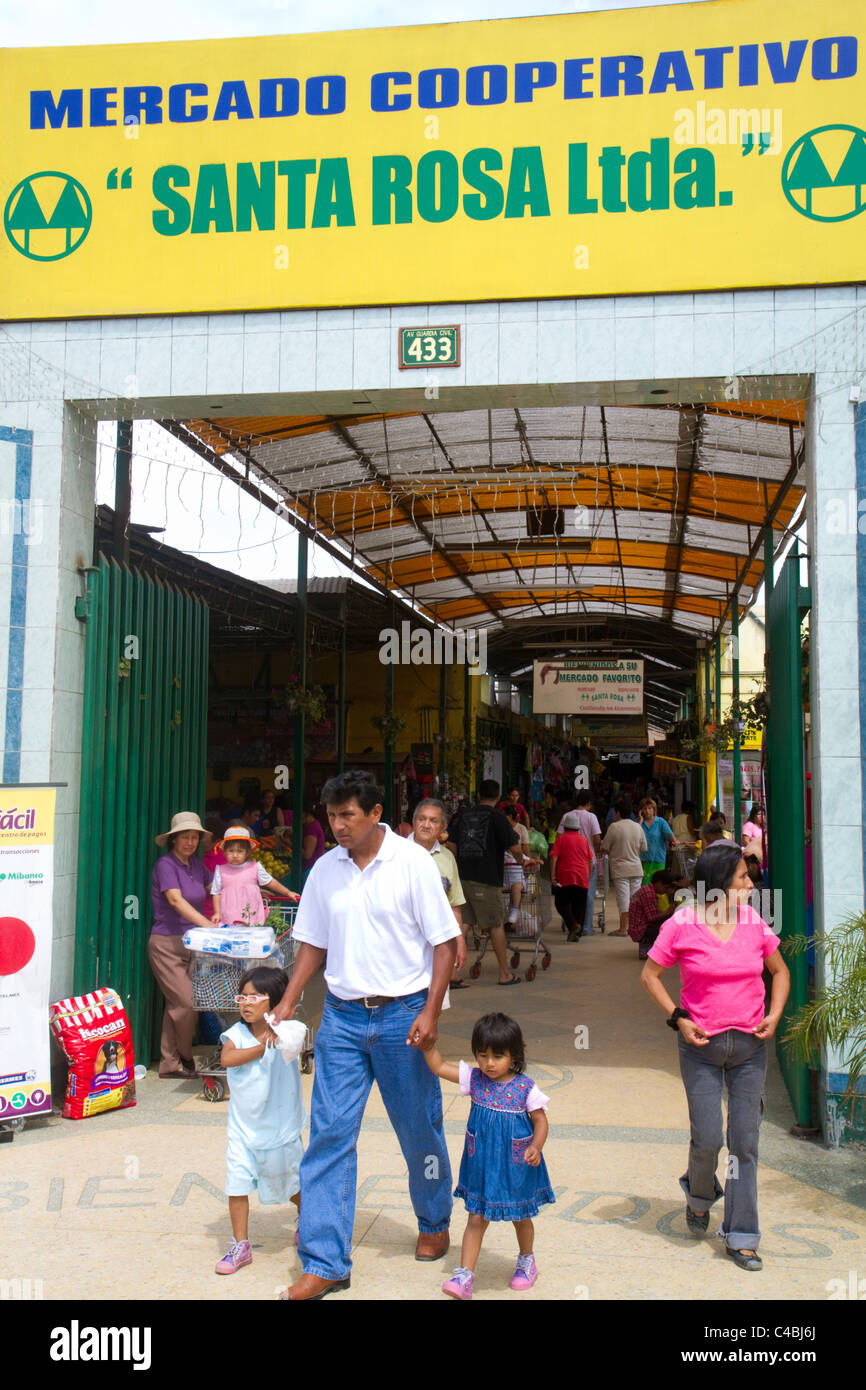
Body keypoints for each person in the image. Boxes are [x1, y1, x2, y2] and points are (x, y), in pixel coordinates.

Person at [269, 770, 461, 1300]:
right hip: (343, 1020)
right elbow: (311, 942)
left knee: (418, 1127)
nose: (337, 826)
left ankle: (433, 1217)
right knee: (329, 1134)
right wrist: (288, 1001)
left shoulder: (414, 864)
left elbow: (445, 944)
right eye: (332, 816)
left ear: (375, 813)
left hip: (403, 1019)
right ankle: (326, 1260)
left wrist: (431, 1013)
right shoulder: (324, 870)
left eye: (347, 815)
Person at [640, 843, 790, 1272]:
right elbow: (650, 975)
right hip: (700, 1050)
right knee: (708, 1138)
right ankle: (700, 1194)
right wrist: (678, 1018)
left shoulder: (754, 922)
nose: (750, 884)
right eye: (742, 878)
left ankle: (741, 1235)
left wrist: (775, 1015)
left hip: (749, 1050)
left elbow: (780, 972)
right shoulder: (682, 923)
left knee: (744, 1144)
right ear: (720, 883)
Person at [423, 1012, 554, 1300]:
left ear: (514, 1056)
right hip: (481, 1165)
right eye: (482, 1055)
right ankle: (464, 1276)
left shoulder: (525, 1088)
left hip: (516, 1165)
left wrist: (536, 1145)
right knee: (475, 1218)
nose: (489, 1063)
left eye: (498, 1056)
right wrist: (427, 1046)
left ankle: (526, 1261)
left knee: (521, 1216)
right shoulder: (474, 1079)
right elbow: (439, 1067)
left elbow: (541, 1121)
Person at [215, 965, 306, 1275]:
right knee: (236, 1185)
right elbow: (227, 1058)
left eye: (256, 997)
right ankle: (241, 1245)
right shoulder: (236, 1034)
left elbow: (296, 1042)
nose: (246, 1003)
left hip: (279, 1129)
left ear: (275, 1001)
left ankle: (306, 1219)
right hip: (242, 1130)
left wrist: (277, 1034)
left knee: (291, 1182)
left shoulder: (288, 1031)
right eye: (243, 996)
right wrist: (259, 1046)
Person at [149, 811, 215, 1080]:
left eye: (194, 837)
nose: (190, 842)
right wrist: (206, 923)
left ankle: (169, 1062)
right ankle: (185, 1057)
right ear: (173, 839)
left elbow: (217, 887)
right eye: (184, 837)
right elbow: (175, 901)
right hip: (166, 943)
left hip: (193, 943)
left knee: (176, 1005)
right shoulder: (166, 865)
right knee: (186, 1003)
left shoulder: (196, 866)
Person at [451, 780, 535, 986]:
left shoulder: (464, 816)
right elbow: (515, 848)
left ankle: (452, 974)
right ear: (498, 798)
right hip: (486, 879)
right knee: (496, 924)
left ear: (478, 795)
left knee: (464, 923)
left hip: (462, 878)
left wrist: (458, 866)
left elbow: (451, 845)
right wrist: (524, 861)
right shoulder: (497, 817)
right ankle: (504, 974)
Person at [411, 797, 469, 990]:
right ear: (414, 821)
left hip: (437, 947)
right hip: (402, 947)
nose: (426, 825)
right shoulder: (396, 853)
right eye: (422, 819)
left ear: (443, 827)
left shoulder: (447, 858)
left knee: (434, 1008)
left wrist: (459, 941)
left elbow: (454, 905)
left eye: (433, 821)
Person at [210, 825, 299, 925]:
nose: (235, 855)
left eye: (239, 851)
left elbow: (270, 882)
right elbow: (216, 893)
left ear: (247, 852)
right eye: (231, 851)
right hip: (228, 918)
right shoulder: (221, 870)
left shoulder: (255, 867)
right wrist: (217, 913)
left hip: (253, 917)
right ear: (225, 852)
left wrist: (287, 892)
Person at [600, 798, 648, 937]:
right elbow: (644, 847)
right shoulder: (637, 827)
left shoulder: (614, 827)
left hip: (620, 869)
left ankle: (623, 929)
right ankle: (634, 927)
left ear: (618, 813)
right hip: (636, 868)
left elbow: (605, 847)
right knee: (634, 899)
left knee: (623, 900)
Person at [557, 791, 601, 936]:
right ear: (589, 803)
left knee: (569, 895)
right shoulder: (592, 817)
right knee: (586, 895)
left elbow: (559, 837)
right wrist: (596, 851)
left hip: (568, 862)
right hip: (588, 861)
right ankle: (586, 927)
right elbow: (596, 839)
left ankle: (573, 925)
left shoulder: (567, 816)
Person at [549, 812, 594, 942]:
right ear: (578, 828)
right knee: (579, 906)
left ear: (565, 827)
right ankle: (576, 932)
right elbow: (590, 860)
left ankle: (573, 926)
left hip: (565, 876)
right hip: (582, 877)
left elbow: (553, 858)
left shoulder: (560, 839)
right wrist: (588, 875)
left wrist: (552, 875)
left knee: (561, 903)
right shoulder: (584, 840)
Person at [627, 869, 679, 959]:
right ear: (659, 883)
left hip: (639, 927)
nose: (666, 891)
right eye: (666, 888)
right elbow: (653, 918)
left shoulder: (647, 890)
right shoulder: (649, 894)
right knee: (672, 926)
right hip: (641, 930)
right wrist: (669, 911)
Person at [502, 805, 530, 928]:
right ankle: (499, 914)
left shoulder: (519, 854)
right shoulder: (504, 855)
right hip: (504, 881)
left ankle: (514, 909)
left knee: (517, 888)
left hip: (517, 881)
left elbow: (527, 858)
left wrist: (535, 861)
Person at [638, 797, 675, 884]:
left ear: (654, 810)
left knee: (658, 887)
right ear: (641, 811)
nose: (647, 811)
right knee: (644, 887)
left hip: (658, 859)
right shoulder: (639, 823)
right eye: (645, 808)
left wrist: (675, 842)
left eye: (650, 808)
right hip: (643, 860)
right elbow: (635, 836)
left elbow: (671, 836)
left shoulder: (661, 822)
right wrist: (640, 820)